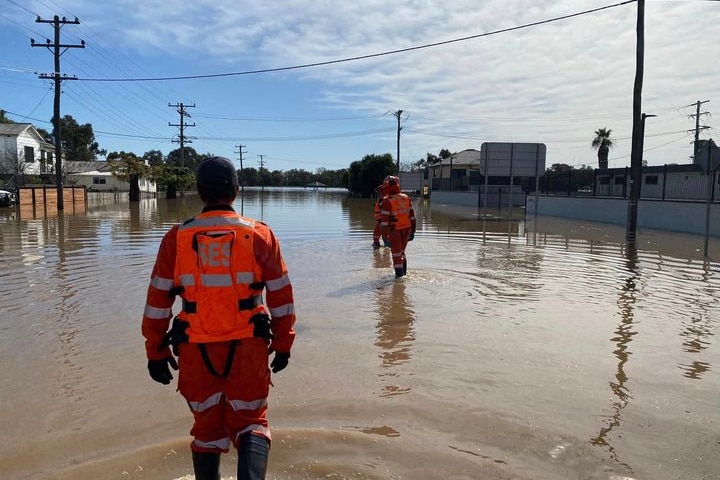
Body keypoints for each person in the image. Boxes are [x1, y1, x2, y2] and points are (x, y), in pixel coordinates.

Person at [141, 156, 296, 480]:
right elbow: (281, 297)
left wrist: (155, 351)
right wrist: (283, 343)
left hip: (196, 352)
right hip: (248, 347)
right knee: (252, 422)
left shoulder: (176, 238)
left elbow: (157, 302)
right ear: (237, 191)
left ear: (199, 191)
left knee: (206, 430)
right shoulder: (261, 235)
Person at [379, 175, 416, 278]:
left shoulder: (387, 201)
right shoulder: (406, 198)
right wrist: (413, 231)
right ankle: (404, 274)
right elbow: (413, 217)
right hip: (407, 229)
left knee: (396, 255)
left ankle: (399, 280)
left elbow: (384, 222)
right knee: (402, 252)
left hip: (395, 230)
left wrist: (384, 236)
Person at [372, 183, 389, 249]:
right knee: (377, 234)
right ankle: (385, 248)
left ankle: (379, 246)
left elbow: (385, 211)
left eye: (379, 191)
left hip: (383, 221)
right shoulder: (382, 199)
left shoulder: (384, 199)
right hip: (382, 221)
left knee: (378, 234)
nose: (378, 192)